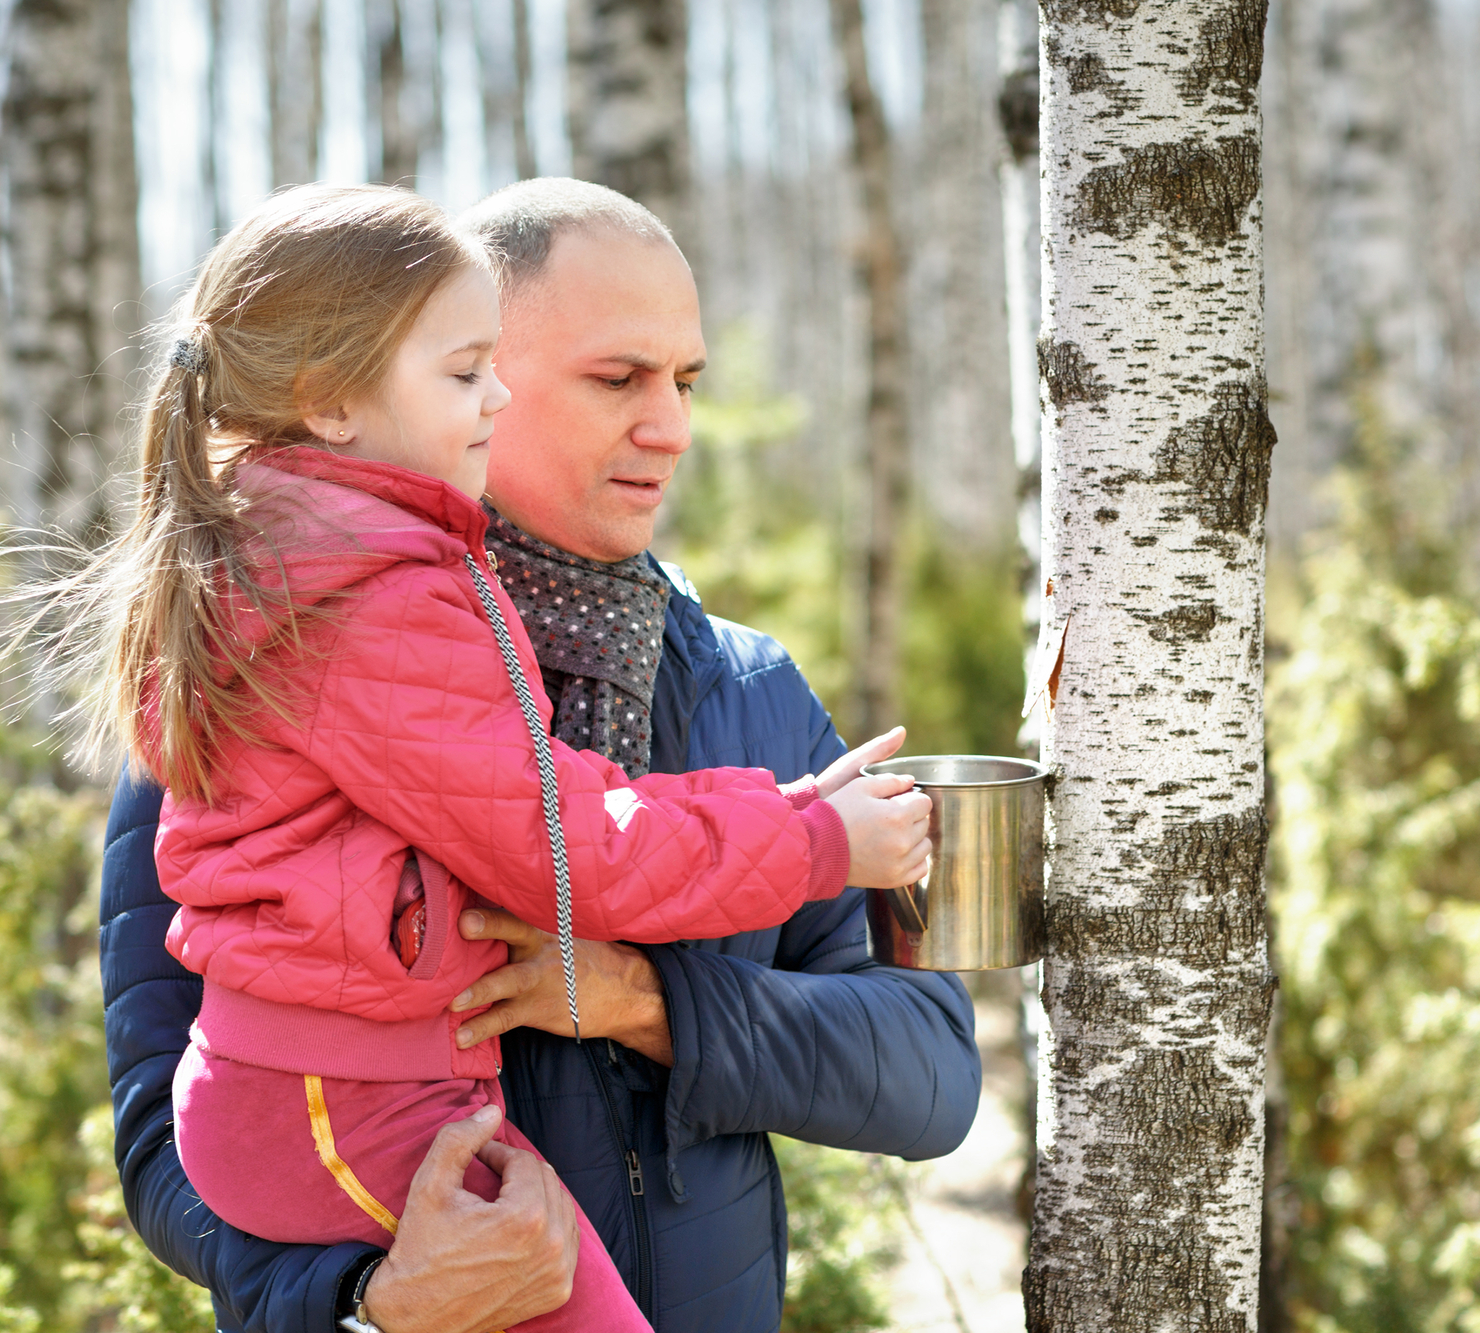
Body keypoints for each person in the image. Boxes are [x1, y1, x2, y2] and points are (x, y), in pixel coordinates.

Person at [100, 178, 983, 1333]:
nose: (669, 425)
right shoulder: (258, 657)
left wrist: (652, 1001)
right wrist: (374, 1305)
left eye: (685, 381)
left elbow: (929, 1074)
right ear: (444, 370)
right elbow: (178, 1123)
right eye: (616, 378)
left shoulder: (741, 690)